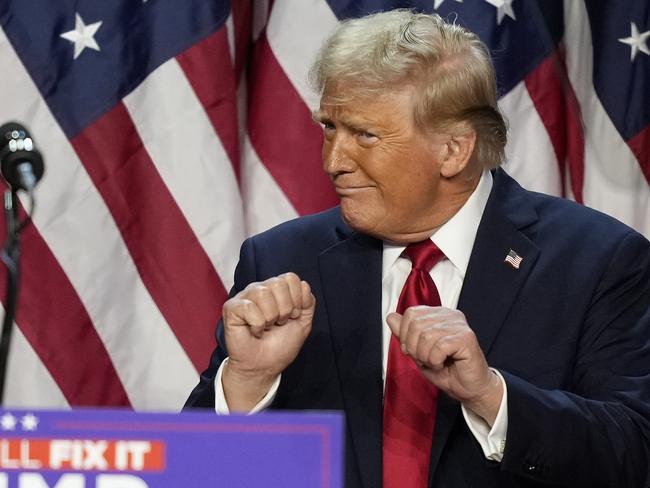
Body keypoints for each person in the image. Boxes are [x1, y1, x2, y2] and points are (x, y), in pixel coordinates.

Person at [185, 9, 650, 488]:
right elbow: (193, 471)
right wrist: (246, 381)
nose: (333, 161)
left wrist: (491, 397)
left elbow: (636, 454)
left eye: (364, 134)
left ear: (453, 149)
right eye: (329, 127)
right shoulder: (282, 260)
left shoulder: (597, 261)